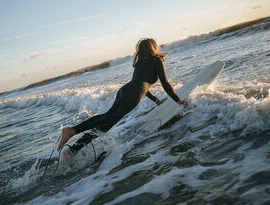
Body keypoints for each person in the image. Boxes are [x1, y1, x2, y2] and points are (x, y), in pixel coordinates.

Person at [57, 38, 187, 152]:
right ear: (153, 47)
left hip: (125, 90)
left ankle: (74, 149)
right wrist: (178, 100)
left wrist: (157, 101)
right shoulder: (157, 61)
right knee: (108, 117)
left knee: (108, 122)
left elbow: (143, 86)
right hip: (133, 93)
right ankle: (72, 131)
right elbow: (165, 83)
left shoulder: (139, 64)